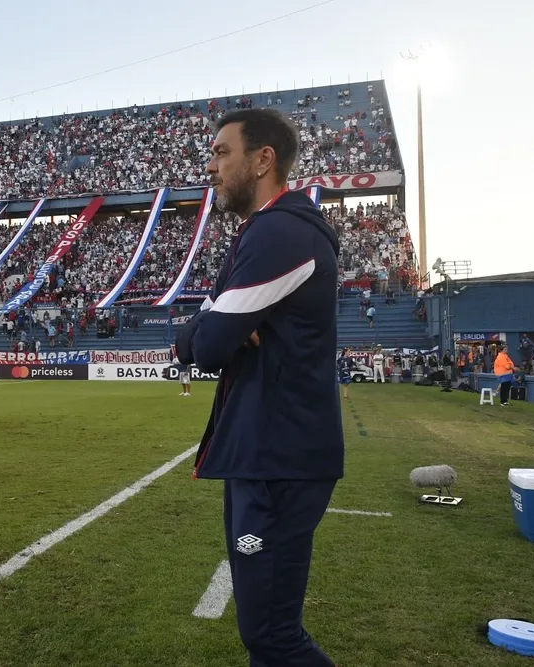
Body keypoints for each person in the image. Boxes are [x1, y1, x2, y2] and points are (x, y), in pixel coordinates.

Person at [176, 108, 342, 667]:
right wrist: (208, 327)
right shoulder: (264, 231)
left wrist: (210, 329)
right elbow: (201, 333)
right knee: (266, 634)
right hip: (270, 453)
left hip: (278, 457)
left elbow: (210, 347)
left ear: (262, 159)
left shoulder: (280, 233)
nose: (213, 166)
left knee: (272, 635)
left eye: (223, 153)